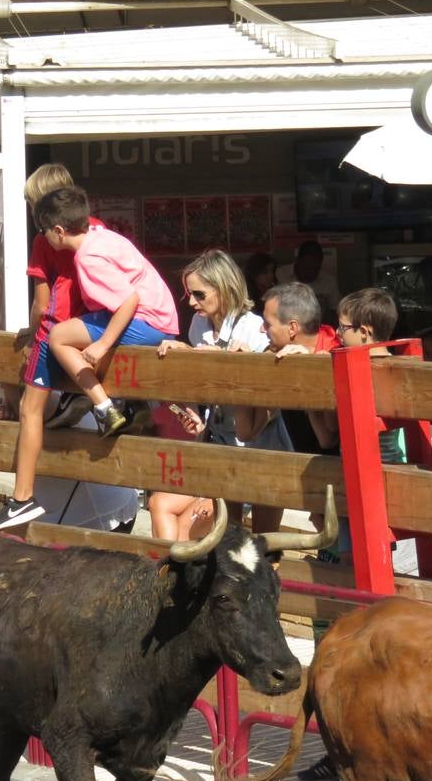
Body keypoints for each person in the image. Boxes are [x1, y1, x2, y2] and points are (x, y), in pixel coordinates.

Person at [0, 163, 105, 531]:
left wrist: (31, 332)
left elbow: (41, 300)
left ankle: (22, 498)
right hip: (95, 328)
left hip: (57, 328)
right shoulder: (95, 228)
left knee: (28, 408)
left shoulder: (43, 241)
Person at [154, 249, 291, 540]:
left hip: (259, 446)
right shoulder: (198, 326)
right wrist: (193, 412)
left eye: (199, 295)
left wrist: (227, 362)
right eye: (189, 295)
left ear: (225, 289)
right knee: (219, 536)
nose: (191, 302)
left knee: (264, 543)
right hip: (220, 441)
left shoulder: (256, 328)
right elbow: (199, 385)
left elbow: (270, 391)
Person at [39, 186, 178, 438]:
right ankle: (134, 404)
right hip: (160, 318)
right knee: (77, 335)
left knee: (59, 336)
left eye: (44, 230)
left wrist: (102, 344)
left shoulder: (88, 257)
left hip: (147, 320)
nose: (43, 237)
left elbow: (129, 300)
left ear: (58, 231)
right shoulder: (102, 237)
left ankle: (104, 409)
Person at [278, 240, 340, 324]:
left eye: (315, 269)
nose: (311, 273)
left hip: (315, 330)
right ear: (298, 261)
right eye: (307, 268)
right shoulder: (280, 275)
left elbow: (336, 312)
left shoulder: (329, 282)